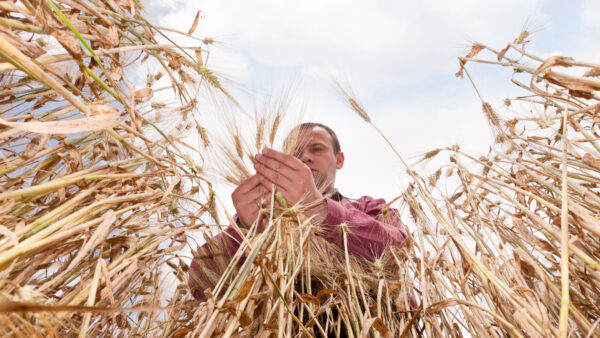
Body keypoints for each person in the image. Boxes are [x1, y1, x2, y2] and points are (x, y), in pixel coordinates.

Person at [188, 122, 408, 301]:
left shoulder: (368, 208)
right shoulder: (263, 215)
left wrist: (318, 209)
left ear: (339, 160)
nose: (305, 157)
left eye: (317, 149)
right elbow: (199, 285)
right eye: (296, 151)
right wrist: (247, 232)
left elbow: (398, 251)